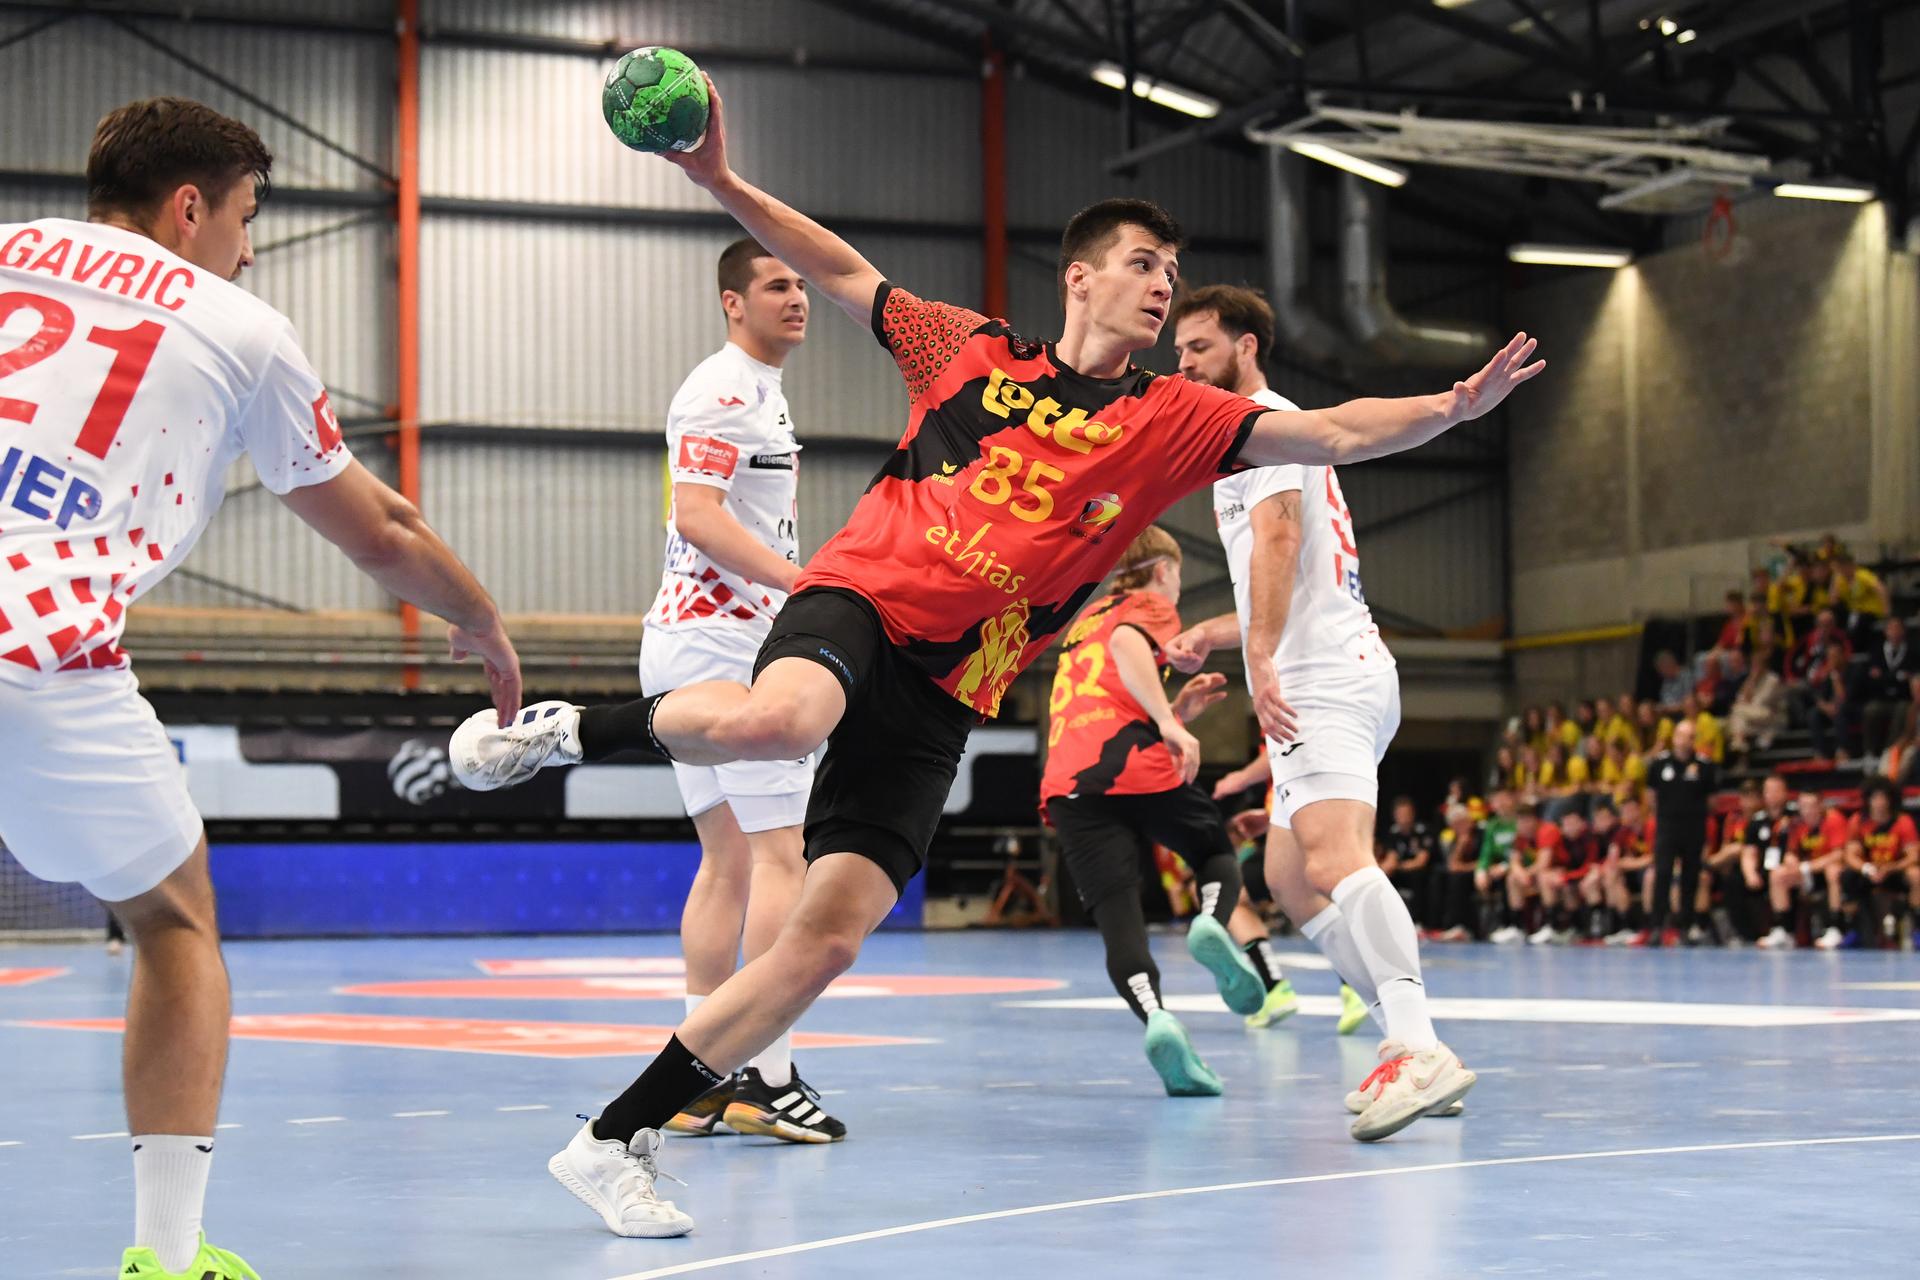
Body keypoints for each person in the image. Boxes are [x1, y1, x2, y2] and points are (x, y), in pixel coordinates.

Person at [446, 74, 1544, 1234]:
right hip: (861, 598)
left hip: (948, 687)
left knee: (822, 942)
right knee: (781, 719)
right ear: (1081, 277)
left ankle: (613, 1136)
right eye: (1140, 262)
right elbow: (834, 264)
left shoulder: (1174, 420)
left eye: (1171, 272)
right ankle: (567, 730)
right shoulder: (966, 351)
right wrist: (715, 178)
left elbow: (1327, 429)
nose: (1161, 283)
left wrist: (1451, 408)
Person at [0, 98, 521, 1279]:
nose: (247, 246)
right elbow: (380, 528)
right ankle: (167, 1253)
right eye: (244, 218)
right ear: (191, 205)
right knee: (175, 919)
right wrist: (481, 618)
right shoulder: (235, 320)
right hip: (33, 649)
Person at [1164, 282, 1478, 1142]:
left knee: (1336, 858)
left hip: (1322, 676)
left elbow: (1276, 544)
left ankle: (1418, 1046)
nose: (1181, 363)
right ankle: (1405, 1046)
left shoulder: (1264, 423)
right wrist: (1217, 633)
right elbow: (1289, 584)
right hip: (1332, 662)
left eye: (1196, 347)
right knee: (1287, 877)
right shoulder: (1251, 441)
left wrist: (1259, 656)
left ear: (1245, 346)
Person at [642, 238, 845, 1144]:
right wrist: (803, 585)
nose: (796, 297)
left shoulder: (762, 389)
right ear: (733, 302)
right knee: (780, 858)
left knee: (728, 860)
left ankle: (692, 1075)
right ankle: (764, 1071)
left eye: (801, 284)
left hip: (702, 643)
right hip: (722, 647)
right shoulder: (722, 390)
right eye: (776, 285)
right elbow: (696, 513)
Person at [1039, 525, 1264, 1094]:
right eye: (1180, 575)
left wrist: (1174, 709)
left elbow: (1106, 690)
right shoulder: (1149, 604)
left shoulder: (1085, 619)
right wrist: (1168, 724)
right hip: (1129, 764)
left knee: (1118, 918)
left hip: (1069, 781)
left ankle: (1158, 1018)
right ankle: (1211, 921)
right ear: (1164, 569)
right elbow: (1128, 647)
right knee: (1213, 849)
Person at [1644, 720, 1718, 947]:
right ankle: (1657, 927)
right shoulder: (1659, 764)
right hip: (1667, 828)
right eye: (1681, 735)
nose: (1684, 740)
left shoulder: (1704, 765)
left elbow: (1712, 801)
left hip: (1694, 829)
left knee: (1690, 878)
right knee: (1662, 874)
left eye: (1690, 736)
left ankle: (1686, 926)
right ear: (1675, 737)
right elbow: (1650, 797)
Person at [1837, 781, 1920, 948]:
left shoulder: (1903, 821)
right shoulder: (1858, 821)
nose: (1880, 803)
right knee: (1845, 875)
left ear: (1891, 800)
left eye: (1884, 798)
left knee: (1916, 875)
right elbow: (1850, 854)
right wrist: (1867, 869)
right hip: (1869, 871)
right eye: (1875, 798)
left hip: (1894, 870)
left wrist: (1892, 868)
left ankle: (1917, 929)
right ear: (1868, 800)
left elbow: (1913, 856)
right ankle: (1852, 930)